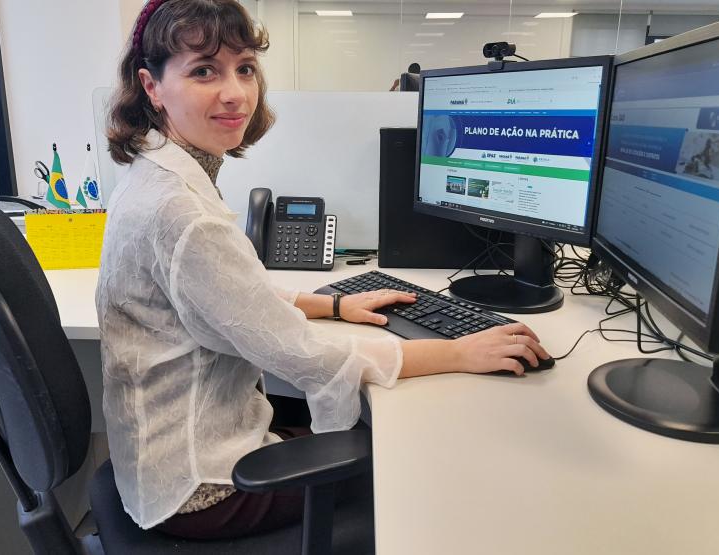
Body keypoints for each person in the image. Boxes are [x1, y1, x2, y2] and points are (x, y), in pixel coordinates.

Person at [100, 0, 550, 541]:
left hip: (164, 455)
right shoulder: (183, 212)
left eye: (244, 68)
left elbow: (231, 292)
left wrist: (334, 304)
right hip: (203, 488)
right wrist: (458, 351)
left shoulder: (157, 172)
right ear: (152, 86)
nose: (236, 93)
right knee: (420, 474)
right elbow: (309, 357)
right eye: (204, 71)